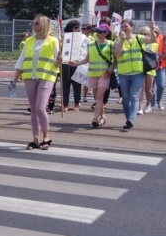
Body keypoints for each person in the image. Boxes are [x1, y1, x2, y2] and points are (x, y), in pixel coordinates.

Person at [15, 15, 60, 150]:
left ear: (45, 25)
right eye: (34, 23)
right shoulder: (29, 41)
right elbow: (22, 59)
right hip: (29, 76)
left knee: (40, 107)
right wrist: (15, 78)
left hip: (46, 76)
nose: (35, 25)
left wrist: (60, 59)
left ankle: (46, 135)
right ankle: (35, 138)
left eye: (38, 23)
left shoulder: (53, 41)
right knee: (33, 109)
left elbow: (58, 62)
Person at [69, 23, 114, 128]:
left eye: (100, 32)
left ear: (106, 33)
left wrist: (111, 67)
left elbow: (115, 59)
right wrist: (76, 63)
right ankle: (102, 116)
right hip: (93, 73)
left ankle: (95, 118)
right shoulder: (91, 44)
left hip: (104, 74)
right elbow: (87, 59)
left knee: (99, 96)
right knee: (98, 98)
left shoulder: (111, 44)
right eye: (97, 31)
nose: (98, 33)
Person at [114, 19, 153, 130]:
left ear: (131, 27)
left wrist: (152, 29)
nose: (124, 28)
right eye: (122, 26)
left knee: (134, 97)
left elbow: (152, 41)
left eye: (126, 26)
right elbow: (117, 54)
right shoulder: (117, 39)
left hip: (137, 72)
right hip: (123, 73)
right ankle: (128, 119)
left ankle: (131, 119)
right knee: (125, 98)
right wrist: (122, 40)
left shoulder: (138, 38)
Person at [61, 20, 83, 112]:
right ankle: (65, 104)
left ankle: (77, 103)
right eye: (76, 28)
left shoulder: (82, 37)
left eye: (78, 27)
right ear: (70, 28)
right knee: (65, 84)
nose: (78, 29)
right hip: (65, 63)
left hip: (77, 63)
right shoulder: (64, 37)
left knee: (77, 84)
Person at [136, 26, 156, 115]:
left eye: (146, 34)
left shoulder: (154, 44)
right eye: (142, 34)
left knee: (148, 89)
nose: (144, 35)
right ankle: (140, 107)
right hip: (140, 67)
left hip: (150, 68)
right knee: (140, 89)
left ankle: (148, 104)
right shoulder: (138, 43)